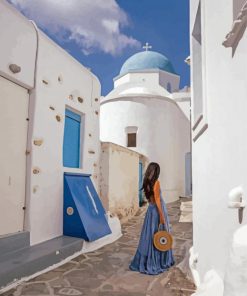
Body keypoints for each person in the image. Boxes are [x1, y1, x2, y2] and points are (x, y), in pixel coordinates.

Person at [129, 162, 174, 275]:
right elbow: (158, 201)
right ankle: (158, 262)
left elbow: (150, 200)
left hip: (150, 211)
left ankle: (145, 261)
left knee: (149, 236)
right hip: (157, 212)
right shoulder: (156, 183)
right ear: (157, 172)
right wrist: (162, 217)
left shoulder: (146, 183)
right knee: (160, 236)